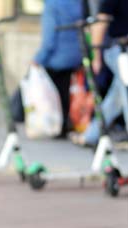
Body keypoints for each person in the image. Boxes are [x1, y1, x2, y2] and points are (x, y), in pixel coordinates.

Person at [70, 0, 128, 147]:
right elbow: (101, 22)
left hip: (121, 50)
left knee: (117, 98)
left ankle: (91, 135)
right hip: (120, 51)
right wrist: (96, 56)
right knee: (124, 93)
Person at [33, 0, 84, 138]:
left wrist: (39, 58)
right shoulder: (77, 3)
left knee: (54, 94)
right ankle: (65, 125)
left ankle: (57, 126)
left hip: (56, 57)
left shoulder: (52, 6)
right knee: (65, 91)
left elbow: (49, 37)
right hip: (74, 55)